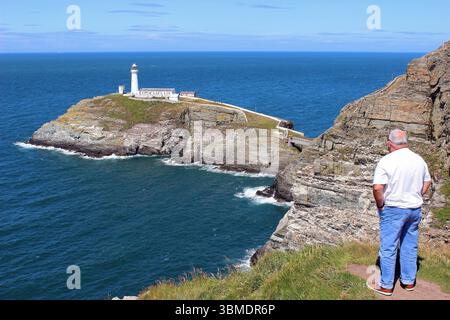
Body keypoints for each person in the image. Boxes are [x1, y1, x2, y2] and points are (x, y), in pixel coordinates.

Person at [369, 129, 432, 296]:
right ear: (405, 142)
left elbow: (377, 187)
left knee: (388, 247)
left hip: (393, 209)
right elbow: (427, 181)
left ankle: (386, 285)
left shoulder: (386, 161)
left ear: (390, 143)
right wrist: (418, 194)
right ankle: (408, 282)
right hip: (414, 209)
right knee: (409, 245)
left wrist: (381, 204)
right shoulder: (419, 160)